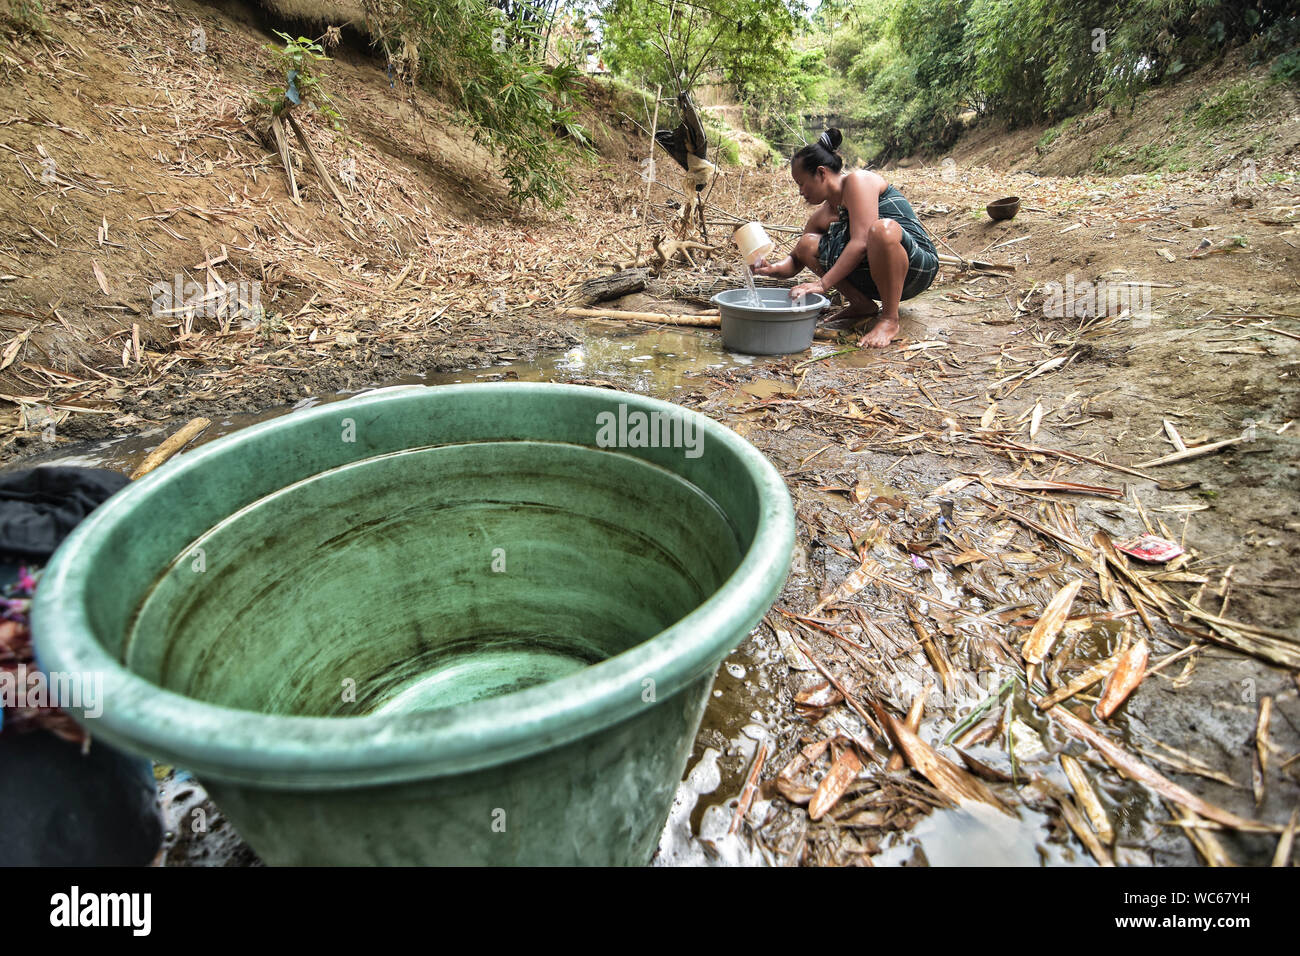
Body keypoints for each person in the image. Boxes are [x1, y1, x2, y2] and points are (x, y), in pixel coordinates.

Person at [753, 129, 939, 348]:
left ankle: (889, 319)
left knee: (880, 230)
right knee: (807, 243)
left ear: (821, 173)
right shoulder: (822, 215)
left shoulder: (858, 181)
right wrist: (771, 268)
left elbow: (861, 242)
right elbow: (796, 259)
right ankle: (862, 304)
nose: (800, 191)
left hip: (915, 267)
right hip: (876, 279)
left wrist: (822, 284)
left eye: (801, 183)